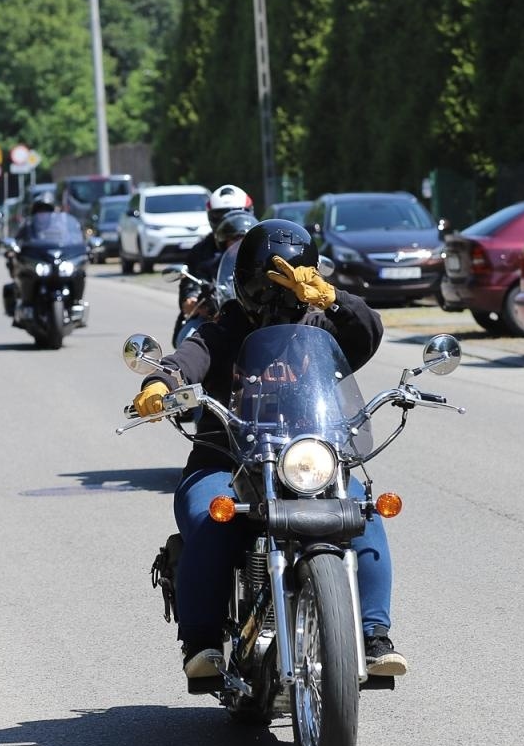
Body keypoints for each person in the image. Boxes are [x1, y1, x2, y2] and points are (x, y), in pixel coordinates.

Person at [131, 218, 407, 680]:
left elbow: (369, 334)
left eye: (289, 286)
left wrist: (335, 299)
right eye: (265, 286)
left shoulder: (322, 325)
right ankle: (200, 643)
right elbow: (188, 358)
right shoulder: (225, 328)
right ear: (244, 283)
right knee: (212, 520)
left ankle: (374, 636)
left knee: (364, 515)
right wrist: (161, 381)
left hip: (309, 460)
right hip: (227, 461)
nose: (276, 299)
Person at [176, 210, 258, 339]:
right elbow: (194, 285)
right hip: (218, 317)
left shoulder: (261, 263)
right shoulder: (211, 263)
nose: (240, 243)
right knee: (187, 336)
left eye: (245, 238)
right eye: (235, 238)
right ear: (225, 241)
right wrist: (200, 300)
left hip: (256, 319)